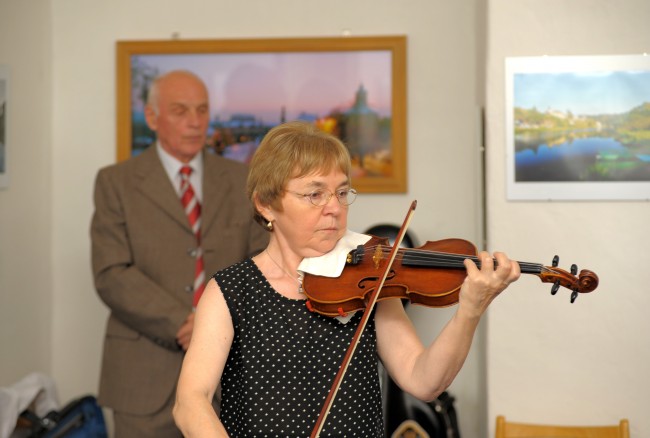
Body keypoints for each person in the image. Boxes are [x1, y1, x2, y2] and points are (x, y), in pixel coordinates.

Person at [173, 120, 521, 437]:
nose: (335, 208)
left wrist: (470, 310)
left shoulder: (367, 279)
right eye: (314, 194)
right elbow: (191, 401)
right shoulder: (232, 290)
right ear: (265, 204)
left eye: (341, 192)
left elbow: (423, 379)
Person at [90, 70, 268, 437]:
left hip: (232, 375)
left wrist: (213, 325)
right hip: (142, 378)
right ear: (152, 117)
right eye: (180, 110)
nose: (195, 122)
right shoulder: (115, 183)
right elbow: (111, 273)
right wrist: (182, 323)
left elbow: (264, 263)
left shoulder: (243, 180)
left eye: (202, 110)